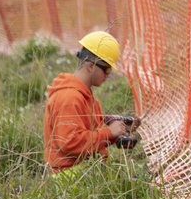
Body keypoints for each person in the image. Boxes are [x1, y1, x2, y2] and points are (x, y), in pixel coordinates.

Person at [43, 31, 137, 173]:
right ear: (91, 66)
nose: (108, 74)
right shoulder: (69, 98)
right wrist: (108, 132)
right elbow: (70, 143)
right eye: (106, 68)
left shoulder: (87, 96)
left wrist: (116, 132)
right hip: (70, 177)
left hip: (86, 170)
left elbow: (92, 138)